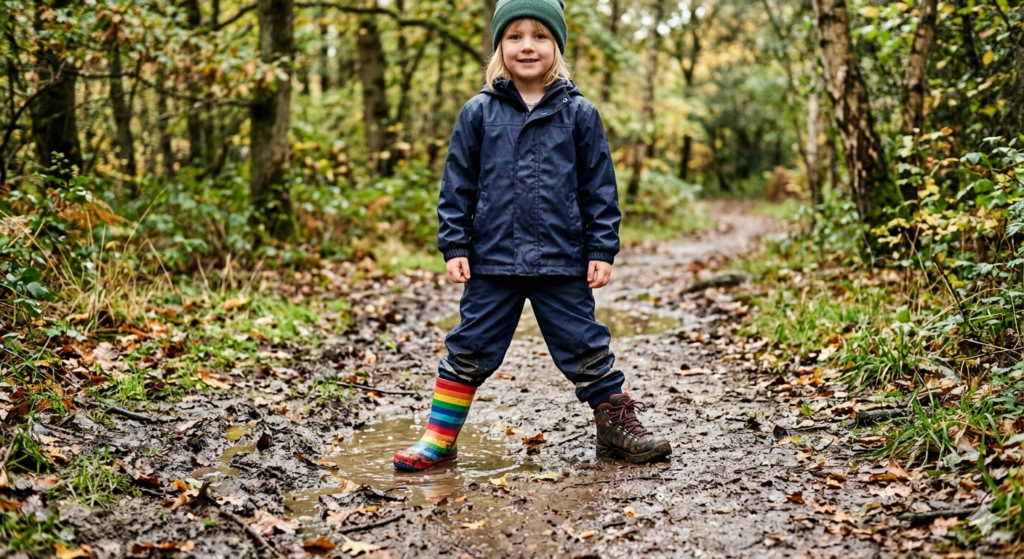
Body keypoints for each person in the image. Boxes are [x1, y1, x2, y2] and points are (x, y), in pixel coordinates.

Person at [393, 0, 671, 471]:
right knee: (470, 346)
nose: (528, 46)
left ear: (557, 46)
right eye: (515, 36)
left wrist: (602, 248)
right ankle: (439, 438)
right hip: (492, 259)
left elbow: (599, 186)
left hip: (562, 259)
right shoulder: (478, 112)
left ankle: (615, 430)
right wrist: (455, 243)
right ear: (500, 45)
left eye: (540, 36)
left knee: (585, 345)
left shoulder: (580, 114)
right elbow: (456, 183)